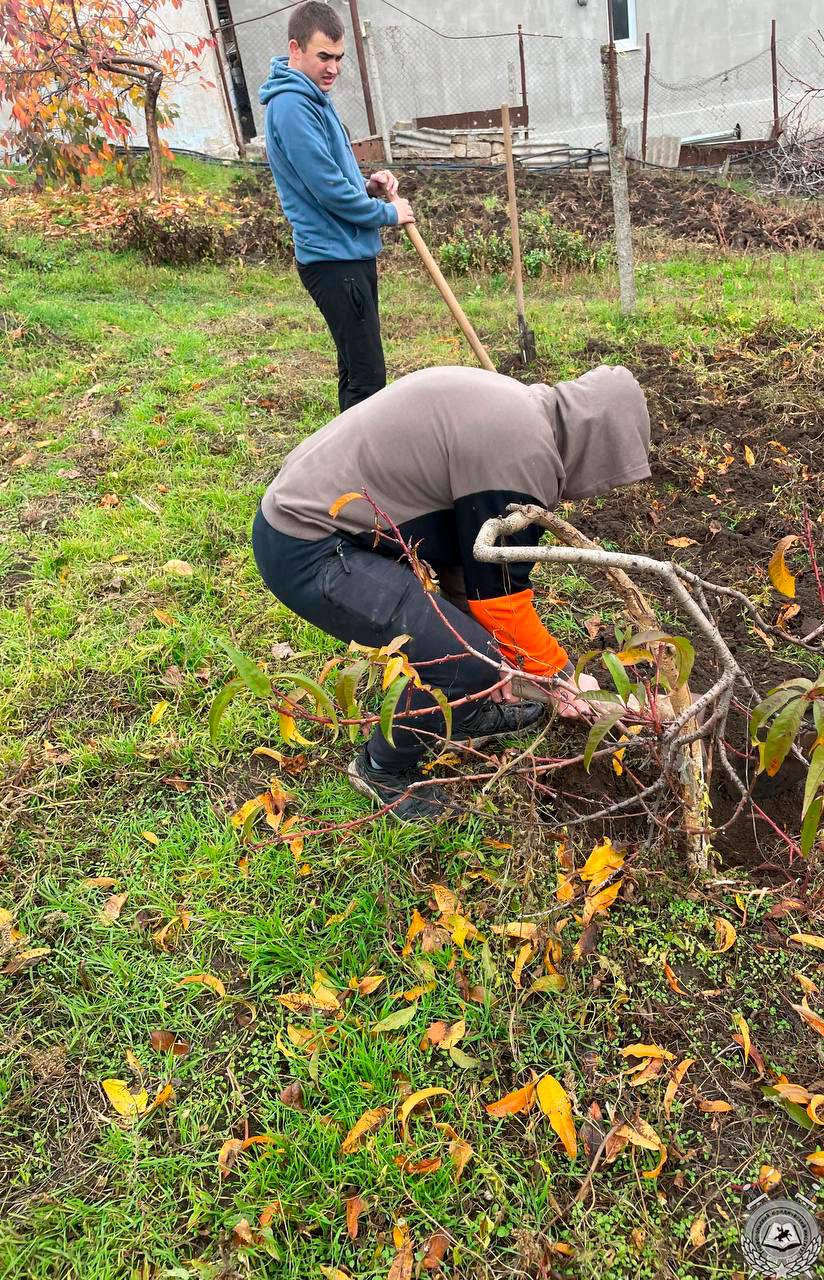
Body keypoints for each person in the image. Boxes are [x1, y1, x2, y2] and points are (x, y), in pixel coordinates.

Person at [253, 364, 652, 823]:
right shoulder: (520, 454)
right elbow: (500, 601)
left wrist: (510, 666)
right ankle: (381, 768)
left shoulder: (523, 411)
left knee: (479, 651)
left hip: (325, 522)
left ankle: (467, 706)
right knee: (465, 658)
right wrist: (562, 678)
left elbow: (474, 566)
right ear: (596, 445)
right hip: (307, 547)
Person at [259, 1, 414, 412]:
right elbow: (328, 191)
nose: (334, 68)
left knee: (355, 367)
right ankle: (360, 474)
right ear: (296, 50)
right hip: (333, 259)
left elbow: (326, 175)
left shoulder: (311, 98)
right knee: (368, 378)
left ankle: (346, 469)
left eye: (339, 58)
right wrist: (388, 214)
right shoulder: (292, 106)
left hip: (345, 253)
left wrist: (367, 185)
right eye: (324, 56)